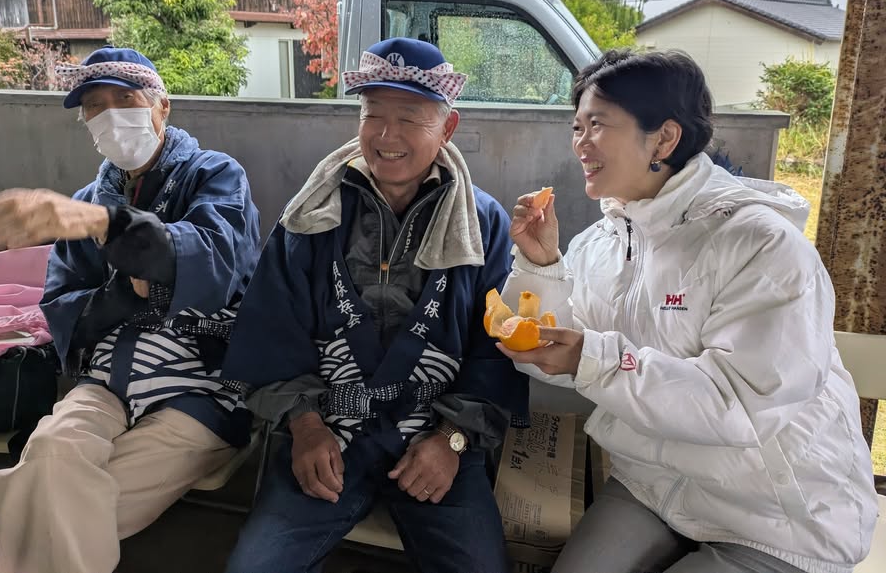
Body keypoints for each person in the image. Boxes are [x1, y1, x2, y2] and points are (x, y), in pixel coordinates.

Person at [497, 48, 879, 573]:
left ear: (664, 139)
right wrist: (541, 266)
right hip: (652, 485)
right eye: (577, 127)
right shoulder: (605, 242)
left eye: (598, 125)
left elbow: (738, 405)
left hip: (779, 515)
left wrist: (592, 359)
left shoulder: (760, 245)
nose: (581, 142)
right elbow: (553, 354)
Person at [221, 37, 528, 573]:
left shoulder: (484, 225)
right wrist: (305, 425)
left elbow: (495, 349)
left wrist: (453, 440)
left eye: (409, 118)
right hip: (327, 431)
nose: (387, 136)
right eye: (373, 114)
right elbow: (272, 326)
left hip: (436, 437)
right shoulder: (312, 215)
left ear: (448, 128)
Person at [0, 46, 262, 573]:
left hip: (200, 390)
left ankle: (18, 512)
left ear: (162, 106)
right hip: (107, 382)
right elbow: (62, 305)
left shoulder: (216, 175)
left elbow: (215, 260)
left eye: (125, 100)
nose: (109, 115)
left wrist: (103, 225)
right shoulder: (87, 199)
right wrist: (129, 292)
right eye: (95, 106)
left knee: (42, 498)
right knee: (51, 452)